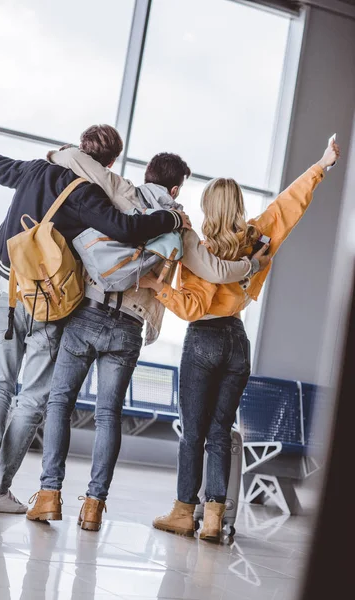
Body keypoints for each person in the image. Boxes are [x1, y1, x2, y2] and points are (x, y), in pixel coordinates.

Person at [0, 99, 189, 515]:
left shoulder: (35, 169)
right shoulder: (88, 195)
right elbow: (129, 229)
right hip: (52, 303)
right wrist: (171, 221)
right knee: (31, 398)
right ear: (110, 161)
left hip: (12, 289)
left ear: (79, 146)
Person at [27, 147, 270, 530]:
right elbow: (214, 268)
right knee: (109, 414)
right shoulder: (178, 224)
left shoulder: (120, 193)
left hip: (89, 309)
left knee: (60, 402)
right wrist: (252, 264)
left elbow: (85, 164)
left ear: (146, 174)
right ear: (175, 187)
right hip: (129, 325)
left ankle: (48, 495)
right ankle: (93, 506)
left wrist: (57, 153)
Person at [139, 138, 340, 543]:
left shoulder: (202, 250)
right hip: (237, 341)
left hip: (204, 340)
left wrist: (157, 288)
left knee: (193, 432)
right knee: (220, 431)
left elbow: (194, 308)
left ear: (209, 208)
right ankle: (213, 519)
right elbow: (288, 205)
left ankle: (183, 512)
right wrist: (321, 165)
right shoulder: (255, 238)